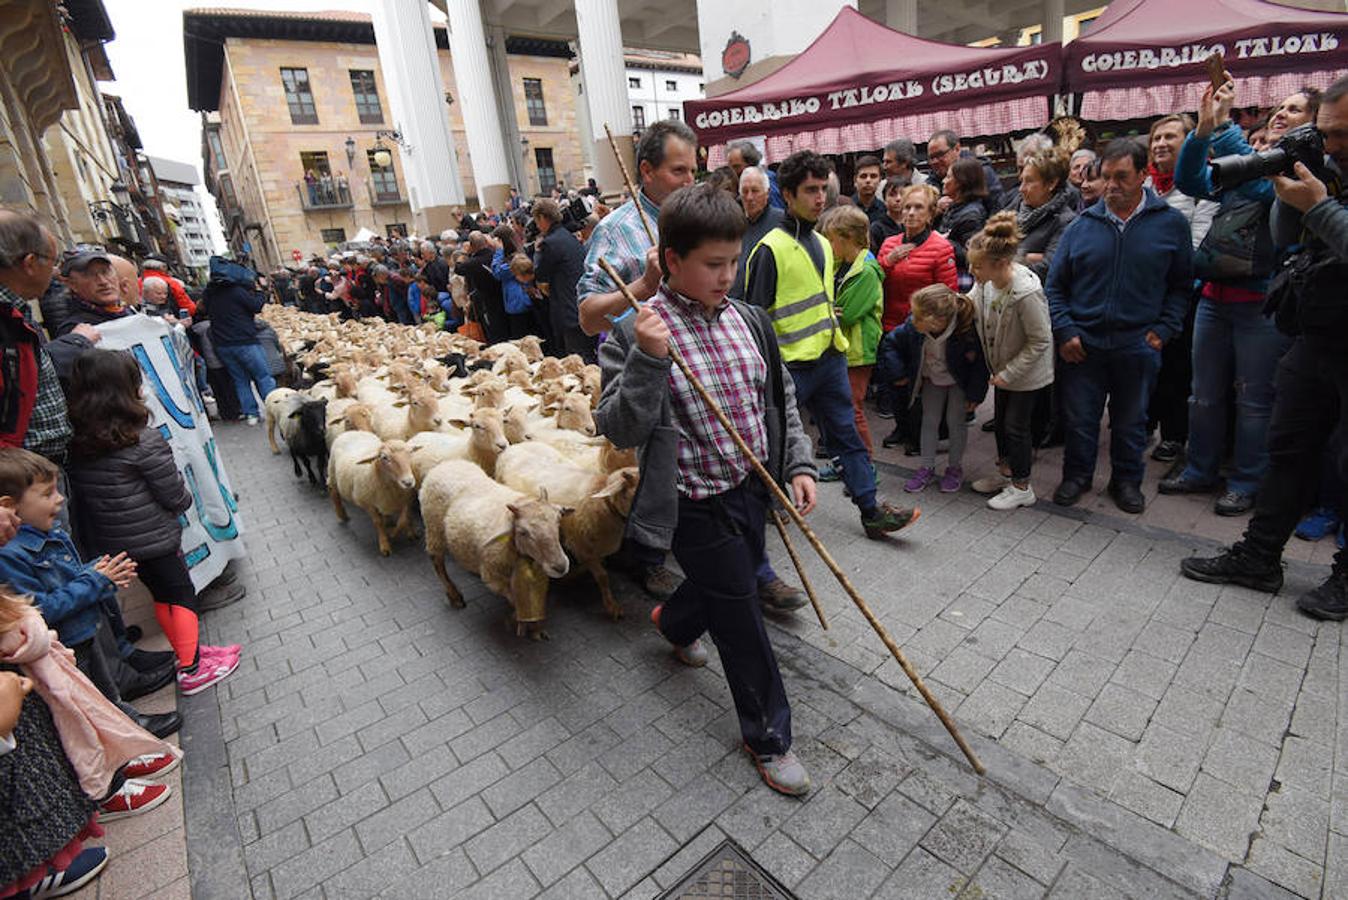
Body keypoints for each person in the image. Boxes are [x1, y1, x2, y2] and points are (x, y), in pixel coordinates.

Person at [594, 182, 817, 795]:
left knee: (729, 583)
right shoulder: (634, 331)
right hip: (692, 503)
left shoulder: (750, 320)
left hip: (751, 487)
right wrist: (648, 360)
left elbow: (780, 398)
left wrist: (798, 463)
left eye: (734, 261)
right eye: (713, 264)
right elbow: (617, 427)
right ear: (672, 259)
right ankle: (768, 736)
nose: (727, 276)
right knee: (741, 613)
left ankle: (674, 622)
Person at [1180, 75, 1348, 621]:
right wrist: (1294, 194)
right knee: (1288, 446)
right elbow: (1286, 237)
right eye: (1327, 133)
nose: (1333, 145)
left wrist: (1321, 205)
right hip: (1317, 330)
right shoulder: (1327, 169)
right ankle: (1258, 557)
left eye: (1343, 135)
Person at [745, 150, 918, 539]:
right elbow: (755, 321)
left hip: (829, 358)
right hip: (789, 368)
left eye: (823, 188)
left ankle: (871, 510)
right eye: (810, 190)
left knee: (847, 436)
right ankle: (768, 504)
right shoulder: (769, 250)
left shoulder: (823, 244)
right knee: (775, 441)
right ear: (788, 195)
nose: (820, 197)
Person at [1160, 77, 1309, 516]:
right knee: (1203, 394)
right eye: (1280, 107)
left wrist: (1225, 127)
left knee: (1254, 400)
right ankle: (1200, 469)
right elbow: (1190, 180)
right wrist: (1203, 130)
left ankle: (1246, 481)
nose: (1282, 113)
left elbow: (1263, 187)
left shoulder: (1301, 171)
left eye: (1295, 109)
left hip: (1261, 303)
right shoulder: (1252, 164)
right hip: (1213, 296)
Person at [64, 350, 241, 695]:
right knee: (181, 593)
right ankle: (192, 669)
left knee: (161, 594)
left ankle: (189, 652)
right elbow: (173, 493)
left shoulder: (79, 441)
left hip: (117, 540)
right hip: (154, 536)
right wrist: (184, 501)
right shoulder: (140, 437)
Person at [1045, 138, 1193, 514]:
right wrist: (1066, 331)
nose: (1112, 185)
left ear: (1143, 174)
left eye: (1122, 177)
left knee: (1131, 422)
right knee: (1080, 420)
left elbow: (1181, 286)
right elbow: (1056, 287)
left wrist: (1163, 330)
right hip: (1083, 344)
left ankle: (1126, 481)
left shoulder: (1171, 225)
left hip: (1137, 344)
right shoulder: (1081, 226)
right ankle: (1077, 476)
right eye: (1107, 177)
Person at [0, 448, 180, 742]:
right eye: (47, 494)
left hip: (84, 630)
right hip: (68, 640)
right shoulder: (10, 556)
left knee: (105, 688)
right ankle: (127, 733)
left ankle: (127, 721)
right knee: (94, 696)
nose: (59, 499)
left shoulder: (48, 533)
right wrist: (95, 580)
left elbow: (64, 580)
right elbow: (40, 609)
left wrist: (97, 571)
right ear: (11, 506)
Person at [1145, 113, 1221, 465]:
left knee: (1176, 367)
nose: (1160, 143)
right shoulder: (1146, 184)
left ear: (1190, 142)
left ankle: (1174, 435)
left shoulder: (1205, 185)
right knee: (1146, 364)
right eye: (1156, 138)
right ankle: (1144, 423)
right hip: (1145, 292)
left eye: (1170, 137)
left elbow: (1197, 244)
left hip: (1182, 292)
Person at [966, 212, 1055, 510]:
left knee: (1017, 427)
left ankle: (1022, 487)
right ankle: (1007, 474)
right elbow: (972, 300)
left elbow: (1040, 340)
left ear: (1001, 263)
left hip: (1026, 375)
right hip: (1002, 369)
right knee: (1002, 424)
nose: (972, 270)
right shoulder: (986, 281)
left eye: (977, 266)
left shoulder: (1026, 293)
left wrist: (1011, 372)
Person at [577, 120, 697, 339]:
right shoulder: (614, 230)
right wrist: (645, 285)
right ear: (647, 171)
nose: (690, 181)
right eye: (679, 170)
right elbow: (588, 319)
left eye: (693, 171)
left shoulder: (700, 222)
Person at [878, 285, 987, 493]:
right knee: (928, 421)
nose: (912, 320)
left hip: (958, 383)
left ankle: (954, 468)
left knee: (956, 423)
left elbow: (979, 365)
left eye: (918, 316)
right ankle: (926, 466)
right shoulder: (913, 327)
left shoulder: (965, 332)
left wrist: (975, 394)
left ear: (938, 321)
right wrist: (898, 373)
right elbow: (891, 344)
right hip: (931, 380)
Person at [877, 184, 958, 451]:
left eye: (918, 208)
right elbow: (874, 281)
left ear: (930, 214)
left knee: (921, 386)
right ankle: (901, 427)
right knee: (895, 380)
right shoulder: (889, 244)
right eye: (907, 207)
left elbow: (948, 294)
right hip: (891, 325)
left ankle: (920, 434)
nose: (911, 213)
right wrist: (887, 262)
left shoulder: (940, 247)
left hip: (922, 329)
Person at [821, 205, 883, 455]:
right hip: (841, 347)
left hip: (857, 350)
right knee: (839, 408)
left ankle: (865, 462)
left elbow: (847, 314)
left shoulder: (866, 271)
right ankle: (844, 460)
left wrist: (827, 309)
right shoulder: (840, 264)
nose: (829, 245)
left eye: (832, 240)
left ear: (847, 238)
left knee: (853, 408)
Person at [200, 257, 276, 426]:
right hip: (245, 342)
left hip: (223, 345)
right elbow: (256, 306)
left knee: (240, 380)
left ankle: (251, 414)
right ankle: (273, 409)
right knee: (263, 377)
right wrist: (259, 291)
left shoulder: (209, 294)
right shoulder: (236, 291)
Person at [1007, 148, 1078, 283]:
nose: (1021, 188)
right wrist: (1027, 258)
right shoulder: (1016, 206)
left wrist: (1009, 260)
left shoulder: (1066, 221)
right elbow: (983, 247)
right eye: (1021, 181)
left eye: (1029, 181)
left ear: (1051, 183)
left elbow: (1049, 268)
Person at [530, 199, 584, 357]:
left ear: (542, 217)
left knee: (574, 359)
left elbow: (540, 274)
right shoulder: (568, 235)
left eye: (536, 221)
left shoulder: (550, 243)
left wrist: (537, 252)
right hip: (579, 305)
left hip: (567, 310)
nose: (537, 226)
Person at [731, 166, 783, 300]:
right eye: (745, 191)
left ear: (767, 193)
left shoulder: (782, 223)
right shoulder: (733, 223)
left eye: (755, 191)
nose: (749, 197)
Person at [938, 157, 990, 282]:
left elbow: (971, 256)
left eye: (948, 177)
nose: (943, 181)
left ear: (960, 182)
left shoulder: (971, 215)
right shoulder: (953, 206)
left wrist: (944, 242)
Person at [927, 129, 1002, 214]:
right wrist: (936, 208)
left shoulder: (981, 172)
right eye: (931, 157)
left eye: (940, 155)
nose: (935, 161)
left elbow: (997, 208)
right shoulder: (932, 180)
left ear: (957, 149)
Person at [456, 233, 507, 343]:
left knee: (493, 329)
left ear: (472, 246)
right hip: (503, 295)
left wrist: (463, 252)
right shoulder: (495, 254)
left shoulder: (473, 262)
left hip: (486, 300)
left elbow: (458, 268)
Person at [726, 140, 784, 210]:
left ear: (750, 163)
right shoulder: (738, 182)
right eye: (730, 167)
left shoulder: (767, 180)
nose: (732, 171)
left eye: (736, 166)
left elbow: (778, 211)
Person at [869, 178, 905, 252]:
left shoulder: (914, 224)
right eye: (892, 195)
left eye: (903, 194)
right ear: (885, 200)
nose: (898, 199)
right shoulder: (877, 228)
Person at [850, 154, 885, 223]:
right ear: (855, 180)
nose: (868, 180)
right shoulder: (846, 208)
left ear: (880, 180)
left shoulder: (885, 211)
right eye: (863, 176)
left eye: (873, 176)